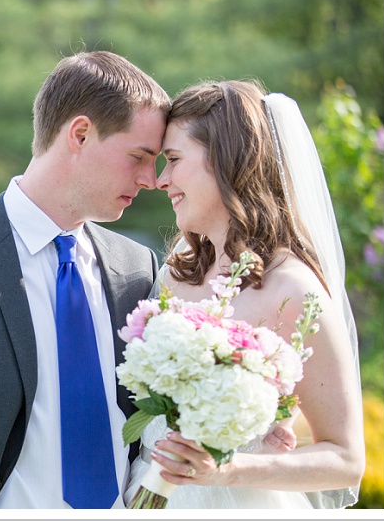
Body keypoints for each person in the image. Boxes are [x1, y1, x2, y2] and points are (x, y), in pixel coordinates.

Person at [0, 51, 295, 509]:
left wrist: (248, 418)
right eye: (138, 156)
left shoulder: (140, 269)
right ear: (80, 134)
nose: (150, 180)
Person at [126, 79, 366, 508]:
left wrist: (229, 468)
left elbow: (345, 458)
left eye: (175, 159)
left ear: (226, 161)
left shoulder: (293, 290)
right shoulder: (174, 270)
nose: (161, 180)